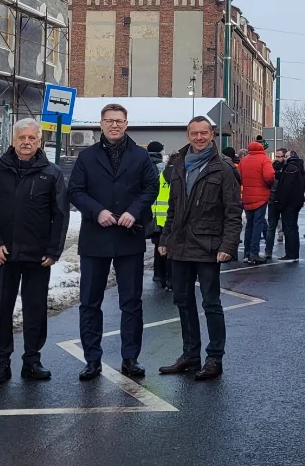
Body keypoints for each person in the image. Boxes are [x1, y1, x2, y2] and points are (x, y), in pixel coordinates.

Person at [68, 103, 159, 381]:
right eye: (109, 121)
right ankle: (92, 360)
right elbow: (75, 190)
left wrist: (134, 211)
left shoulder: (140, 156)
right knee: (89, 302)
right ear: (101, 124)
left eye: (119, 121)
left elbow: (151, 187)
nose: (114, 125)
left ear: (126, 123)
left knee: (131, 302)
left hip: (128, 236)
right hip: (95, 237)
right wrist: (97, 211)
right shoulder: (87, 156)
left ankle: (130, 358)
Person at [0, 118, 69, 385]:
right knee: (0, 310)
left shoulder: (51, 173)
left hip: (38, 255)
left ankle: (32, 361)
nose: (26, 142)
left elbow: (60, 214)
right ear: (13, 140)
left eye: (32, 138)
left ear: (39, 141)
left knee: (35, 309)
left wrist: (53, 250)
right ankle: (1, 364)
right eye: (22, 137)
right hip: (1, 254)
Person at [156, 116, 242, 380]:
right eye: (194, 133)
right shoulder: (178, 164)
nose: (199, 138)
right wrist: (165, 238)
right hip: (180, 245)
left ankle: (214, 358)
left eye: (204, 133)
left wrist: (228, 245)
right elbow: (173, 208)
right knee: (182, 301)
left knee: (211, 303)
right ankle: (190, 355)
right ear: (188, 135)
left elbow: (233, 211)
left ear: (212, 134)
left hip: (208, 246)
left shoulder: (223, 168)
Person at [237, 140, 274, 263]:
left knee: (249, 225)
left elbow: (239, 177)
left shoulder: (244, 160)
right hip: (261, 196)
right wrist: (268, 186)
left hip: (247, 196)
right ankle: (254, 252)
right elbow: (269, 176)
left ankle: (247, 253)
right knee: (258, 224)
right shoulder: (264, 159)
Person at [148, 141, 172, 291]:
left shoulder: (143, 166)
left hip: (153, 213)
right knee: (166, 246)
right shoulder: (162, 168)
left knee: (158, 244)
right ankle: (166, 276)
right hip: (166, 215)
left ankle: (158, 274)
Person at [274, 150, 305, 261]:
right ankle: (294, 254)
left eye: (286, 156)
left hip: (289, 203)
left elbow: (286, 186)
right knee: (293, 228)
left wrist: (280, 202)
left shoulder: (290, 168)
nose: (284, 158)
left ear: (291, 157)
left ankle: (290, 254)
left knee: (289, 228)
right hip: (296, 202)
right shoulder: (297, 166)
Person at [263, 147, 287, 259]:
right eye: (277, 156)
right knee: (271, 226)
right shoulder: (271, 167)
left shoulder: (287, 168)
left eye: (280, 156)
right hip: (272, 199)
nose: (278, 159)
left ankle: (289, 252)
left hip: (284, 200)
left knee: (287, 225)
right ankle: (268, 251)